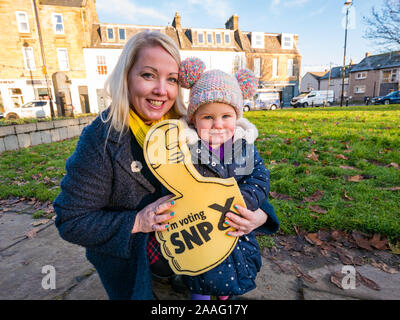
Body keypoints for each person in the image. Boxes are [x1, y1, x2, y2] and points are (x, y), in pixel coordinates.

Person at [53, 31, 279, 300]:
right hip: (138, 262)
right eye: (148, 75)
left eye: (171, 79)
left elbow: (230, 178)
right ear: (126, 77)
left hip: (203, 254)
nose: (161, 89)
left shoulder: (190, 127)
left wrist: (259, 216)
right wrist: (137, 221)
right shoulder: (101, 139)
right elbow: (72, 220)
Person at [179, 58, 271, 299]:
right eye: (207, 117)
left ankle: (225, 295)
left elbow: (259, 178)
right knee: (199, 277)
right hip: (201, 230)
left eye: (226, 116)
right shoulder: (188, 150)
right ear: (194, 119)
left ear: (237, 116)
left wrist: (243, 201)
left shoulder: (244, 147)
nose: (218, 124)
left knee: (231, 278)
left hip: (234, 225)